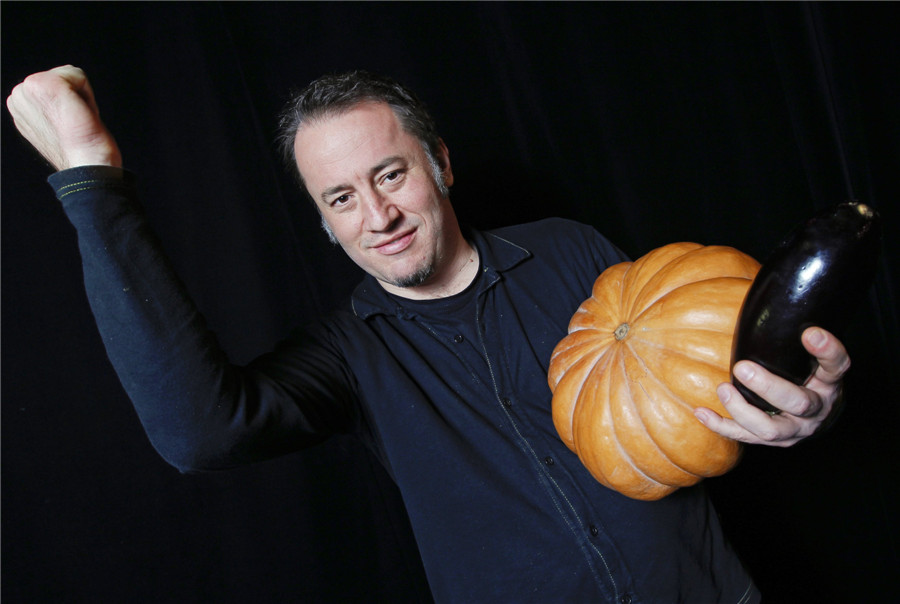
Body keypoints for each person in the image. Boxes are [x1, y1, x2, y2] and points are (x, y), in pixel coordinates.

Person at [7, 65, 849, 603]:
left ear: (439, 165)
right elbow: (199, 434)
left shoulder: (571, 250)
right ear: (325, 225)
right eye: (340, 199)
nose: (377, 216)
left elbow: (695, 381)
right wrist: (93, 183)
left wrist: (799, 403)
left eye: (390, 173)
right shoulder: (346, 357)